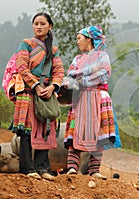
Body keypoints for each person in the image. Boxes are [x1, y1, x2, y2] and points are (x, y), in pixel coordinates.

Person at [12, 12, 64, 180]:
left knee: (45, 129)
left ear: (50, 27)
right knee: (27, 130)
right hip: (28, 91)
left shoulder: (53, 50)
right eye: (36, 23)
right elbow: (21, 66)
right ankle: (27, 168)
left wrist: (53, 87)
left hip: (46, 92)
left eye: (43, 23)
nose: (39, 26)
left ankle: (43, 168)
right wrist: (35, 85)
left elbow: (58, 71)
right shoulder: (25, 44)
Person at [63, 25, 116, 179]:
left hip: (98, 97)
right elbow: (70, 73)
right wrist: (90, 70)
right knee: (76, 130)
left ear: (89, 39)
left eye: (79, 38)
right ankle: (72, 167)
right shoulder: (77, 58)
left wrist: (81, 77)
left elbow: (104, 73)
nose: (77, 42)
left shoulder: (102, 55)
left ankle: (95, 170)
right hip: (80, 98)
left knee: (98, 133)